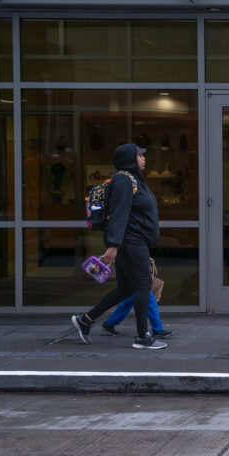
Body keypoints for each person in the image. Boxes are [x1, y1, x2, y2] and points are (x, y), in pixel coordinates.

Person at [70, 143, 167, 350]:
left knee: (126, 288)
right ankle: (143, 336)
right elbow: (119, 214)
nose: (144, 158)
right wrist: (113, 246)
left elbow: (133, 215)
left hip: (133, 243)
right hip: (129, 242)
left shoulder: (133, 180)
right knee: (142, 285)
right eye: (140, 155)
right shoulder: (124, 180)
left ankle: (85, 320)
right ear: (130, 159)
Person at [101, 279, 173, 339]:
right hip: (137, 276)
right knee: (149, 300)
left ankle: (109, 324)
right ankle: (157, 330)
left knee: (128, 301)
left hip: (133, 277)